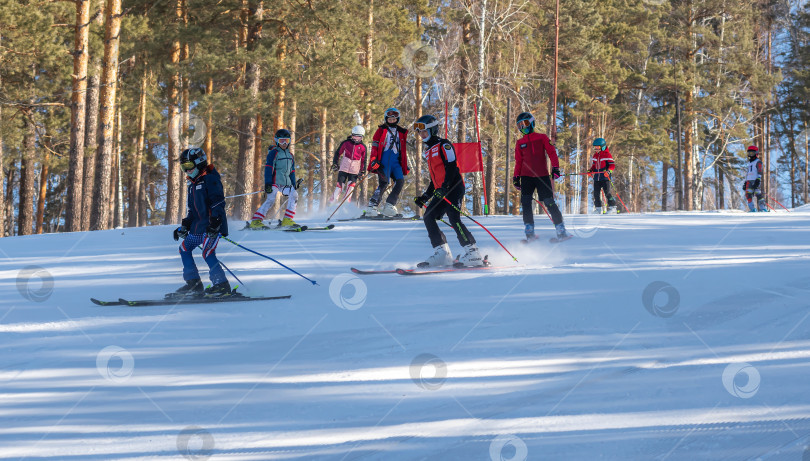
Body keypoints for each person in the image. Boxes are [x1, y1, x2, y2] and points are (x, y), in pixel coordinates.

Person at [413, 114, 483, 267]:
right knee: (428, 216)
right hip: (441, 190)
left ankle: (473, 252)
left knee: (453, 217)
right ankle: (442, 253)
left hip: (454, 188)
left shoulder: (444, 145)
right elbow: (434, 178)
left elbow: (452, 168)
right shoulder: (428, 150)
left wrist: (445, 187)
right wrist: (425, 196)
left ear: (432, 130)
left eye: (424, 131)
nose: (421, 134)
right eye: (419, 132)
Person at [171, 147, 231, 298]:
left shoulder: (210, 179)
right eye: (184, 167)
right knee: (184, 248)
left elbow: (218, 202)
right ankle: (194, 285)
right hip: (199, 227)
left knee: (207, 252)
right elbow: (193, 211)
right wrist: (185, 226)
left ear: (200, 163)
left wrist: (216, 222)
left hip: (212, 226)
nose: (187, 171)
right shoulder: (192, 185)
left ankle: (221, 285)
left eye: (189, 166)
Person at [512, 112, 569, 241]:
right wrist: (516, 177)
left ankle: (561, 230)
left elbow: (552, 153)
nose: (522, 127)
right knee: (526, 203)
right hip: (526, 178)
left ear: (532, 123)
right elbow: (518, 161)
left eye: (525, 123)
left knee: (549, 202)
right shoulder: (519, 143)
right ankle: (529, 232)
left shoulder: (542, 137)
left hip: (542, 176)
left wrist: (555, 168)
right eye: (519, 125)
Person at [249, 129, 300, 228]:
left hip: (286, 183)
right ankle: (256, 221)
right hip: (274, 182)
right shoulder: (274, 153)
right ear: (277, 141)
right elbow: (269, 168)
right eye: (282, 141)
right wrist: (268, 183)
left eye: (286, 141)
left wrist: (294, 184)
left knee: (294, 194)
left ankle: (287, 220)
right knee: (271, 198)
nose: (284, 143)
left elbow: (292, 171)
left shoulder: (290, 155)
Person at [366, 107, 410, 217]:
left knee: (400, 182)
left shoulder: (401, 132)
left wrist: (405, 165)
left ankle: (389, 206)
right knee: (384, 182)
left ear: (397, 119)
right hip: (383, 161)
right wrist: (373, 160)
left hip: (396, 163)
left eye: (393, 119)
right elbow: (375, 146)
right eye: (389, 119)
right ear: (386, 119)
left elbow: (403, 151)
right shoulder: (381, 130)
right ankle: (372, 207)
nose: (391, 121)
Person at [330, 125, 367, 204]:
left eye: (359, 137)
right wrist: (335, 164)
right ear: (352, 135)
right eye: (355, 136)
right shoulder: (346, 143)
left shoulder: (363, 147)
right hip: (344, 168)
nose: (356, 139)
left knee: (350, 188)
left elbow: (364, 160)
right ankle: (332, 203)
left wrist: (362, 171)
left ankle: (346, 204)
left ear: (362, 137)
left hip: (354, 170)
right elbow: (337, 153)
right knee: (339, 186)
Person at [588, 137, 618, 214]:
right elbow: (594, 166)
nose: (596, 148)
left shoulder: (607, 154)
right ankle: (598, 209)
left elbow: (612, 165)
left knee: (607, 193)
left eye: (598, 147)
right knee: (596, 194)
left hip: (605, 177)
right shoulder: (595, 155)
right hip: (597, 178)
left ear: (603, 146)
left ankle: (613, 208)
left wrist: (608, 171)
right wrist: (591, 170)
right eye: (595, 147)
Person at [743, 145, 768, 212]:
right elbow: (748, 172)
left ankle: (763, 208)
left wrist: (758, 179)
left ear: (756, 153)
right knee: (748, 194)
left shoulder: (758, 161)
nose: (750, 155)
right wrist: (745, 182)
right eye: (749, 153)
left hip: (755, 180)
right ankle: (752, 209)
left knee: (758, 194)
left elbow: (760, 171)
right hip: (749, 180)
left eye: (752, 153)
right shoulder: (749, 163)